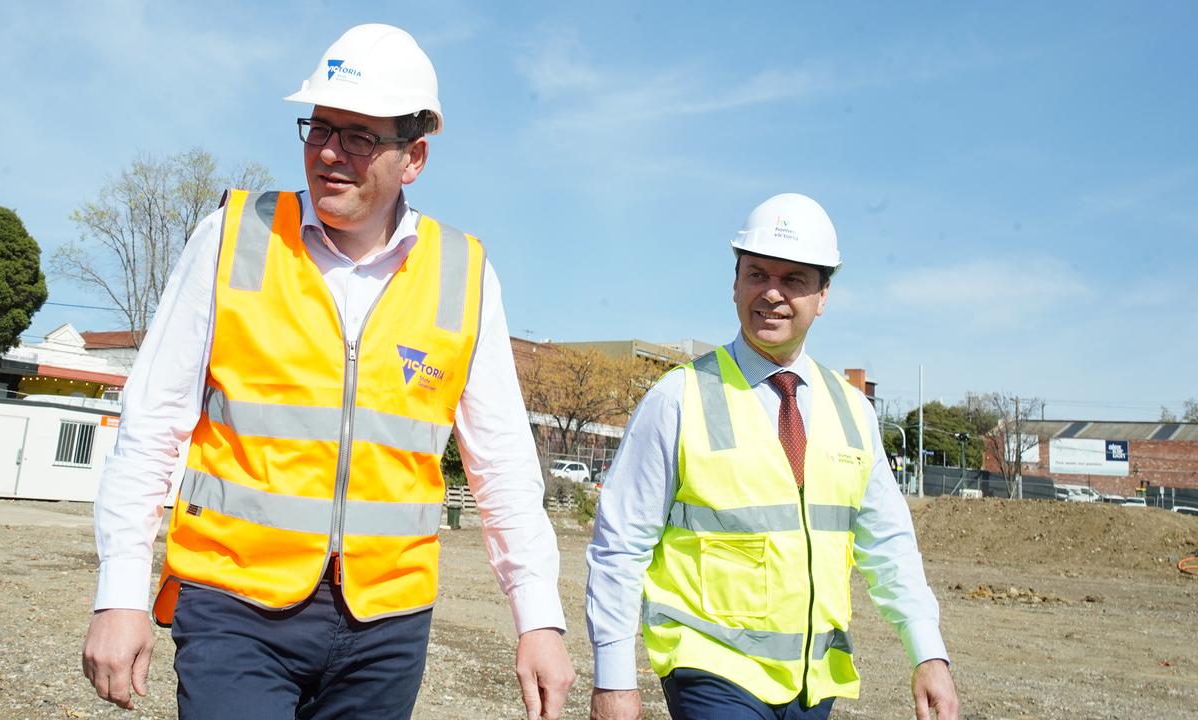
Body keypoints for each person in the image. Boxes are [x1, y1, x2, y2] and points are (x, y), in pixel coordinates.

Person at [81, 23, 573, 720]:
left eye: (362, 136)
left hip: (387, 626)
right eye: (320, 128)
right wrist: (121, 594)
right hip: (235, 606)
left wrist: (539, 619)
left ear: (416, 157)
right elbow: (152, 423)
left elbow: (502, 465)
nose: (332, 153)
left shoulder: (462, 273)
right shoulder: (233, 238)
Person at [585, 194, 959, 720]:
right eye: (757, 274)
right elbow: (620, 545)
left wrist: (928, 653)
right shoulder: (678, 397)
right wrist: (614, 682)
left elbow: (889, 544)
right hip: (709, 670)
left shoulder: (853, 411)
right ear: (735, 283)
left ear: (823, 295)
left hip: (813, 683)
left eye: (795, 280)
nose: (772, 294)